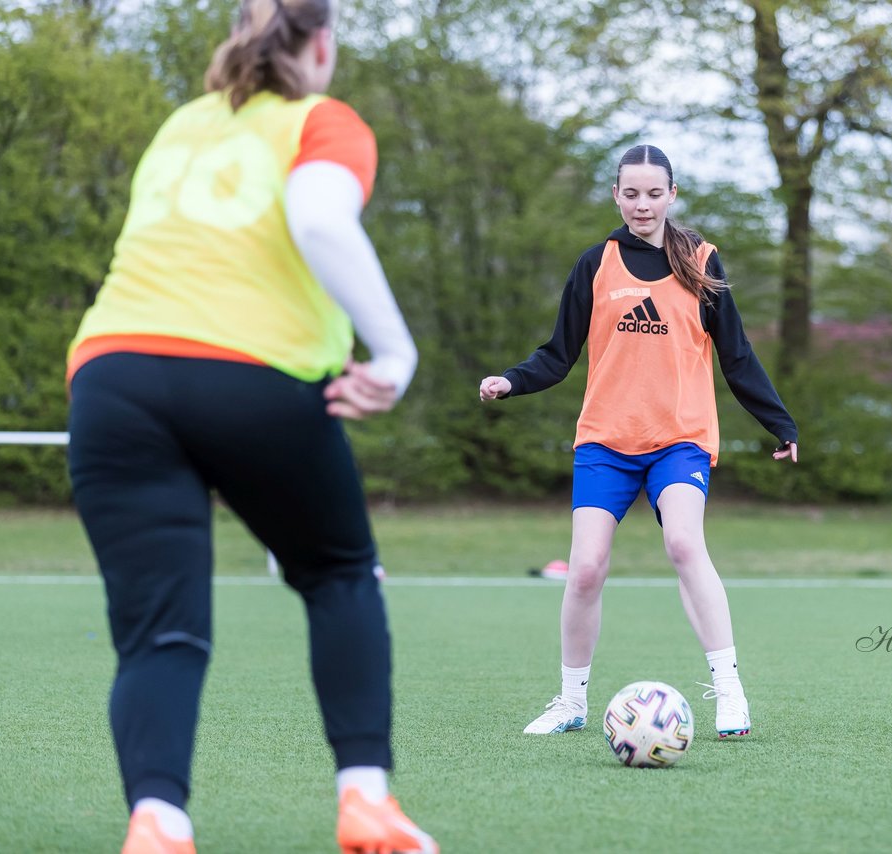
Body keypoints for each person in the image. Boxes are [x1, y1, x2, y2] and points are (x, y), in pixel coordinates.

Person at [65, 1, 437, 852]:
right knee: (340, 573)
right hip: (248, 374)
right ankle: (365, 801)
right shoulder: (322, 119)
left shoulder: (182, 125)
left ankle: (158, 823)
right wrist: (394, 353)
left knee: (162, 627)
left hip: (111, 377)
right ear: (320, 43)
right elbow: (316, 218)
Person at [478, 144, 799, 739]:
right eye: (631, 193)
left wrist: (779, 423)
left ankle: (730, 693)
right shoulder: (594, 265)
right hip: (605, 441)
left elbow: (737, 354)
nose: (642, 204)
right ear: (616, 196)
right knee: (585, 570)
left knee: (682, 542)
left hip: (680, 438)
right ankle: (571, 702)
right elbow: (558, 354)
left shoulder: (700, 262)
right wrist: (512, 380)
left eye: (654, 193)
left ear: (672, 195)